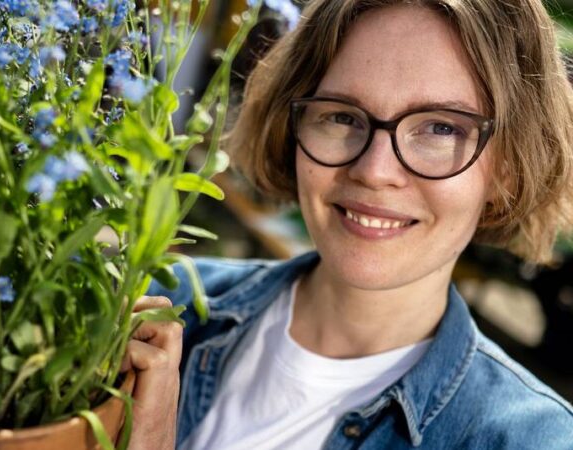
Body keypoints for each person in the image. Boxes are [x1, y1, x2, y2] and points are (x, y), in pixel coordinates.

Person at [120, 0, 573, 448]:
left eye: (441, 128)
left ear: (509, 167)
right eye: (341, 115)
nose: (374, 171)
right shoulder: (162, 304)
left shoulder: (531, 439)